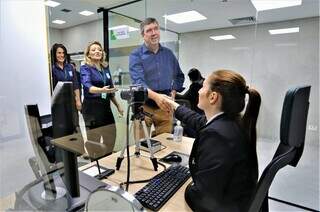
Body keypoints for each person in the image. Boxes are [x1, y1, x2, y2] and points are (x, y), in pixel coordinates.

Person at [163, 69, 261, 212]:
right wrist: (173, 105)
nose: (198, 91)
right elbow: (197, 121)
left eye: (203, 87)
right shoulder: (231, 122)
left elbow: (204, 199)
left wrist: (182, 187)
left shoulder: (218, 137)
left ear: (213, 97)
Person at [129, 17, 185, 136]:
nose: (154, 33)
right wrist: (157, 97)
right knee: (141, 146)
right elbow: (139, 82)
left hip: (164, 106)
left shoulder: (168, 54)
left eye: (156, 29)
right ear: (143, 35)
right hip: (143, 105)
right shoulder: (136, 55)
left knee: (165, 144)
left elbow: (179, 76)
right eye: (149, 30)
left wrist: (173, 92)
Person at [80, 41, 123, 149]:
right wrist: (101, 90)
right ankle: (96, 163)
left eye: (99, 49)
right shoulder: (85, 67)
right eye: (93, 50)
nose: (97, 51)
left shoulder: (105, 67)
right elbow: (87, 86)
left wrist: (118, 106)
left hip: (105, 107)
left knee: (111, 136)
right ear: (88, 54)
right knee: (94, 140)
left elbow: (110, 89)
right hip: (91, 108)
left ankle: (106, 161)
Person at [51, 43, 81, 111]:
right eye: (59, 53)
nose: (62, 55)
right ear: (54, 54)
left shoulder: (70, 67)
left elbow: (75, 84)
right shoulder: (52, 69)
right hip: (58, 102)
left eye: (63, 53)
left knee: (73, 121)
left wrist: (78, 100)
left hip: (71, 101)